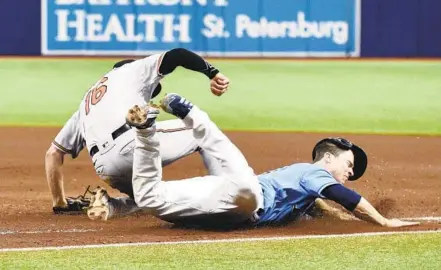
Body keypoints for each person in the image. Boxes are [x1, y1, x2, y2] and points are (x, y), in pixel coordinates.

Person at [87, 93, 420, 228]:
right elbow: (345, 198)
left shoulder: (302, 183)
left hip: (232, 194)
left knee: (208, 151)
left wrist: (345, 222)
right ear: (329, 158)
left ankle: (160, 125)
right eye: (349, 164)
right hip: (245, 197)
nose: (351, 171)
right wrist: (383, 222)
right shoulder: (315, 173)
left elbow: (322, 207)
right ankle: (174, 120)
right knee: (228, 174)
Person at [45, 48, 228, 215]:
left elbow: (53, 153)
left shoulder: (86, 104)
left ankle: (111, 206)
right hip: (129, 145)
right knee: (201, 129)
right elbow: (178, 54)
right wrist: (213, 73)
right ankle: (228, 194)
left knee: (149, 196)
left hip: (105, 169)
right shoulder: (132, 69)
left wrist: (59, 203)